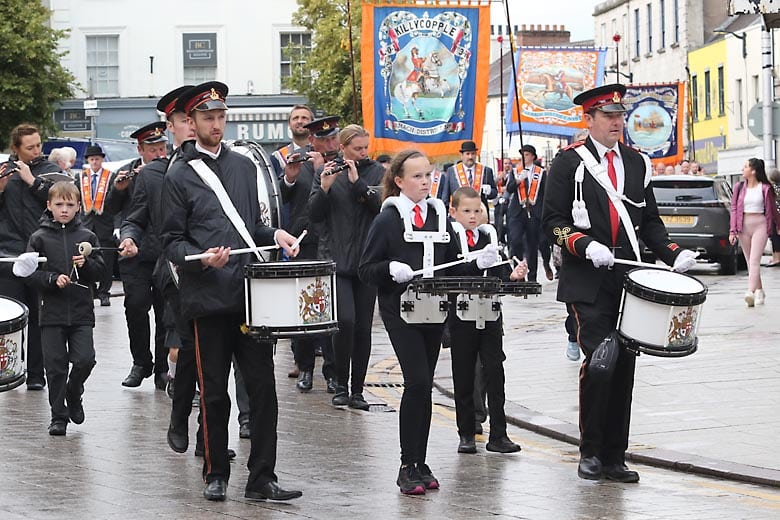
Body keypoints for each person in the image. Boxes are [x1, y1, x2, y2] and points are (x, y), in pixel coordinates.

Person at [542, 84, 698, 483]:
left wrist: (672, 252)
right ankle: (590, 451)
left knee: (624, 365)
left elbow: (650, 223)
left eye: (619, 115)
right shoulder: (567, 164)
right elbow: (553, 223)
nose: (616, 122)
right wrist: (584, 244)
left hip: (628, 278)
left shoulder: (637, 163)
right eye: (608, 115)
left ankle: (615, 455)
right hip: (587, 277)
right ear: (588, 120)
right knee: (600, 362)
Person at [161, 81, 302, 502]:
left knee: (263, 391)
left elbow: (251, 228)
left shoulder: (244, 167)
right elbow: (171, 240)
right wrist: (201, 258)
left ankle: (262, 476)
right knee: (216, 391)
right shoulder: (179, 174)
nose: (217, 124)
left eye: (221, 117)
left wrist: (276, 233)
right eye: (208, 118)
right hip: (206, 298)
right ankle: (215, 472)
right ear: (191, 122)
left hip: (248, 294)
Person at [359, 149, 497, 495]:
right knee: (418, 382)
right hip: (399, 309)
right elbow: (366, 269)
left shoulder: (438, 216)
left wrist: (480, 262)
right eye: (417, 176)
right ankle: (407, 465)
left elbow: (453, 266)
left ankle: (420, 462)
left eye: (428, 175)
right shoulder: (388, 219)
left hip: (433, 309)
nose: (425, 182)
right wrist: (390, 268)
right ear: (400, 181)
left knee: (424, 387)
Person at [309, 123, 385, 409]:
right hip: (337, 259)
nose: (363, 152)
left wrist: (359, 186)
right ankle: (340, 383)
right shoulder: (326, 173)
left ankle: (357, 389)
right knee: (346, 322)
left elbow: (380, 207)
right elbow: (314, 215)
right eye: (357, 148)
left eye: (366, 147)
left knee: (363, 327)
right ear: (343, 149)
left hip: (367, 260)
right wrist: (325, 189)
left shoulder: (377, 172)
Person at [19, 181, 105, 435]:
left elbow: (101, 271)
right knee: (55, 367)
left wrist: (87, 265)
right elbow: (28, 273)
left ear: (79, 206)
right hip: (51, 313)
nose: (64, 209)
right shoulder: (39, 238)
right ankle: (59, 416)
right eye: (59, 204)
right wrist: (50, 279)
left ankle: (74, 390)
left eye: (70, 204)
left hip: (81, 313)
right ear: (49, 206)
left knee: (85, 359)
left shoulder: (87, 237)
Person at [447, 186, 527, 455]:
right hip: (461, 314)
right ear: (453, 211)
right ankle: (466, 432)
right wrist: (476, 265)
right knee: (464, 373)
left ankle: (499, 434)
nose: (473, 216)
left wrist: (513, 276)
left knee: (495, 372)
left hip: (490, 312)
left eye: (477, 210)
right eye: (467, 211)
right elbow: (451, 274)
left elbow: (498, 276)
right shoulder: (449, 239)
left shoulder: (488, 236)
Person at [107, 122, 169, 388]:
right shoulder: (126, 172)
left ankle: (164, 369)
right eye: (152, 149)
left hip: (164, 251)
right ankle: (141, 361)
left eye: (161, 148)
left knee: (166, 313)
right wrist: (119, 189)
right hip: (134, 253)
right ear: (141, 149)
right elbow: (109, 209)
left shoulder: (173, 170)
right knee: (135, 306)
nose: (158, 154)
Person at [279, 114, 337, 393]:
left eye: (331, 138)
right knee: (302, 312)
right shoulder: (298, 163)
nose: (327, 144)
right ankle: (305, 367)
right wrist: (289, 180)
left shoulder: (342, 165)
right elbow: (280, 199)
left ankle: (332, 371)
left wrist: (322, 171)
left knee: (327, 313)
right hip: (303, 243)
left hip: (332, 243)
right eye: (321, 139)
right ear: (312, 139)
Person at [0, 123, 61, 390]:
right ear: (16, 149)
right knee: (12, 318)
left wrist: (32, 181)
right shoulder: (5, 173)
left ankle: (37, 374)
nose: (37, 151)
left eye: (39, 145)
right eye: (30, 147)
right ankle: (11, 371)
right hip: (9, 254)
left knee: (38, 318)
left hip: (40, 255)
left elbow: (61, 200)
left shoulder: (51, 171)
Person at [729, 158, 780, 306]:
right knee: (749, 261)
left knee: (754, 260)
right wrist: (733, 231)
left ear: (753, 171)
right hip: (743, 226)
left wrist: (778, 224)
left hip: (760, 225)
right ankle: (759, 291)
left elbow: (772, 209)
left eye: (745, 167)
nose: (742, 169)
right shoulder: (738, 187)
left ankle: (750, 292)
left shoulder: (765, 188)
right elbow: (734, 210)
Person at [76, 145, 117, 307]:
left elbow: (115, 200)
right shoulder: (80, 178)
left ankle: (104, 292)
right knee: (87, 258)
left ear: (102, 159)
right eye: (92, 159)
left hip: (105, 223)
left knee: (106, 259)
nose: (94, 162)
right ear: (88, 160)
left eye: (97, 159)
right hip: (86, 224)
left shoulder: (110, 177)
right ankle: (91, 288)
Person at [505, 144, 551, 282]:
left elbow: (545, 193)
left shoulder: (540, 172)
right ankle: (519, 272)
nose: (524, 158)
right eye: (522, 155)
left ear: (532, 156)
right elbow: (509, 188)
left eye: (526, 155)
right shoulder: (515, 171)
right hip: (518, 211)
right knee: (515, 240)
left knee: (532, 244)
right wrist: (518, 180)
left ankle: (532, 277)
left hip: (533, 211)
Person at [437, 140, 497, 216]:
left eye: (473, 154)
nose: (470, 157)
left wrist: (489, 191)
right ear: (461, 156)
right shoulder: (452, 171)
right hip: (459, 216)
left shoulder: (485, 171)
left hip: (480, 215)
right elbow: (445, 197)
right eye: (467, 154)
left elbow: (494, 193)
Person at [767, 167, 780, 267]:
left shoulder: (773, 188)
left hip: (775, 216)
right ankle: (775, 257)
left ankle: (776, 258)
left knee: (774, 237)